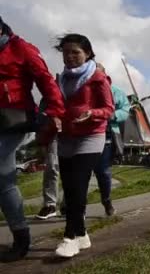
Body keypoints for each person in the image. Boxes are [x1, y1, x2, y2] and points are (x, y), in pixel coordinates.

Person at [0, 16, 65, 262]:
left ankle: (21, 236)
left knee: (2, 173)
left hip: (16, 121)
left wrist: (56, 112)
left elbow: (47, 82)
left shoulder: (22, 49)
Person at [53, 34, 114, 258]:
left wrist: (92, 113)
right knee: (69, 188)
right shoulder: (61, 79)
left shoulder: (98, 77)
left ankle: (70, 238)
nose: (69, 57)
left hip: (91, 135)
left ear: (87, 53)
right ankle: (82, 234)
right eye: (66, 53)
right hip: (67, 136)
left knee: (78, 185)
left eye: (75, 52)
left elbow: (109, 109)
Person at [94, 63, 130, 216]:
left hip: (107, 134)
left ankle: (106, 200)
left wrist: (113, 115)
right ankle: (71, 204)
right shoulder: (82, 88)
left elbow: (125, 109)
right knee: (79, 173)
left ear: (105, 75)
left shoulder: (117, 92)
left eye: (98, 74)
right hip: (84, 134)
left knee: (103, 172)